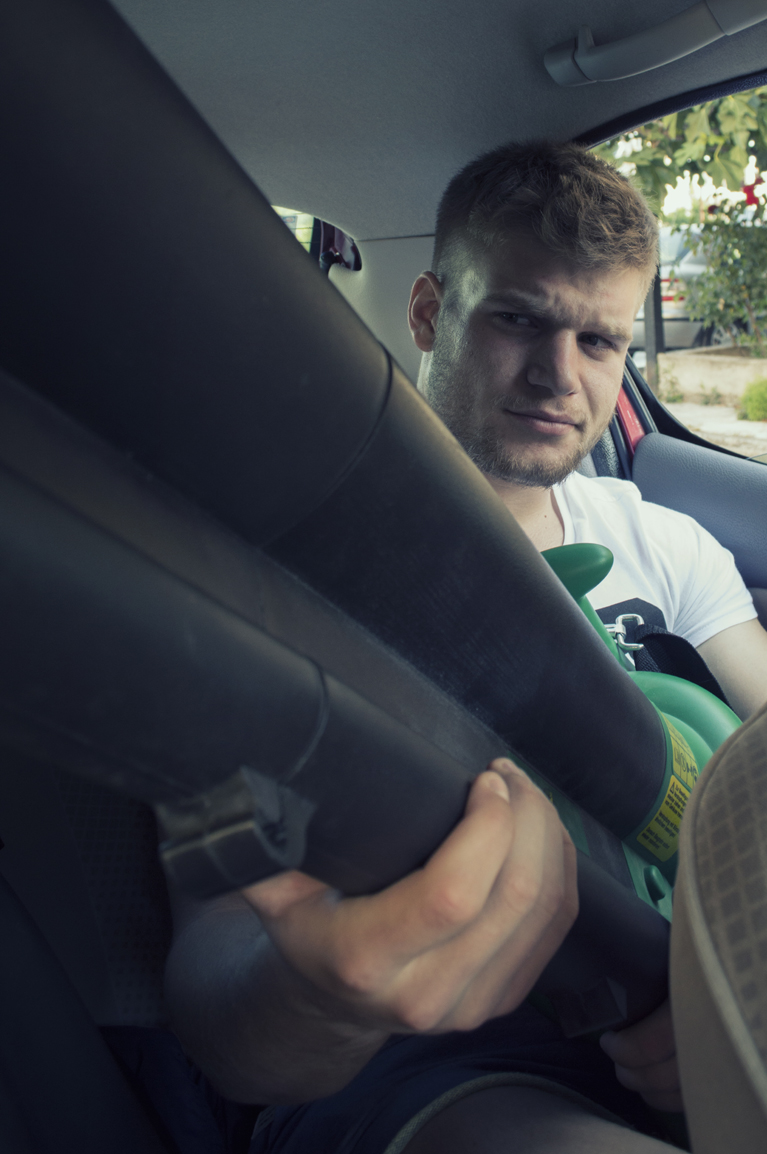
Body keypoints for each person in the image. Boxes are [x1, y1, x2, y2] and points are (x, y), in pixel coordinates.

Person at [165, 142, 767, 1153]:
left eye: (598, 341)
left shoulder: (664, 543)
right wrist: (318, 996)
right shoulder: (282, 568)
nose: (558, 375)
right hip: (441, 1054)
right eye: (518, 319)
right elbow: (213, 967)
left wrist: (733, 968)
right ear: (426, 312)